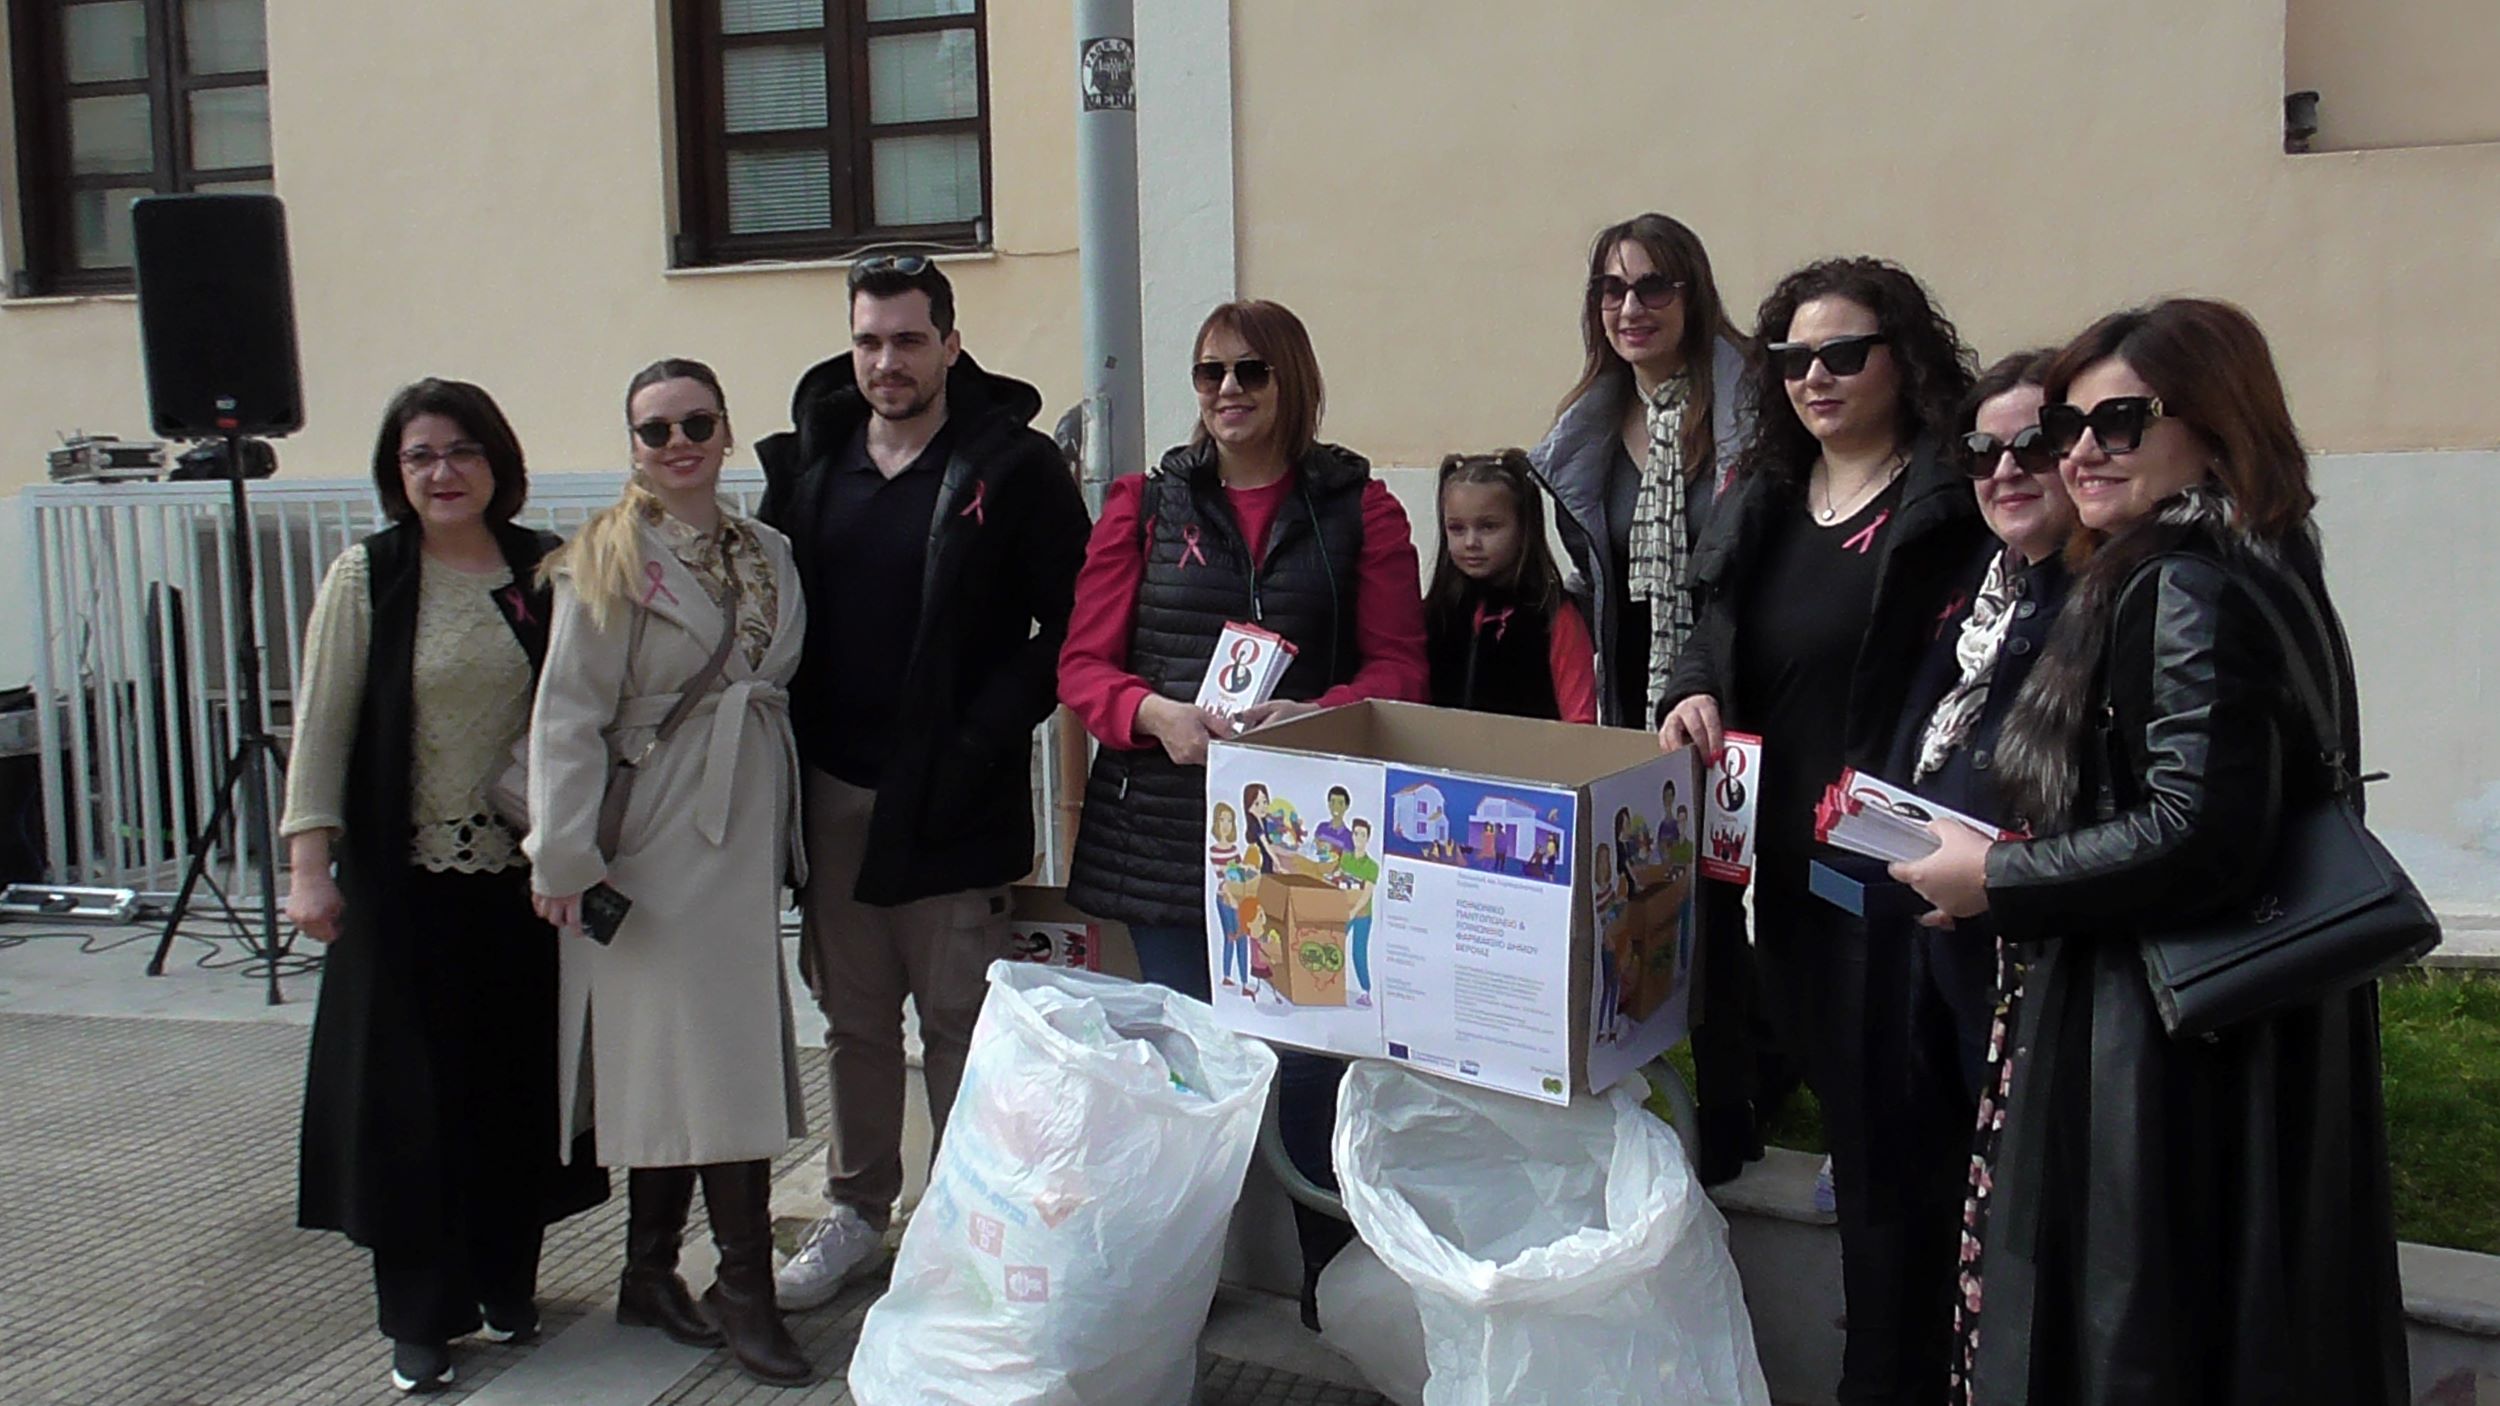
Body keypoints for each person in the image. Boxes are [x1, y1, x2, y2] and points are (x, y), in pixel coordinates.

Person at [1892, 301, 2409, 1406]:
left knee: (2148, 1329)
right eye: (2068, 425)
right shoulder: (2256, 558)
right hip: (2235, 1014)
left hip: (2168, 1034)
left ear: (2215, 426)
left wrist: (1996, 878)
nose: (2079, 451)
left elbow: (2197, 832)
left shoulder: (2181, 578)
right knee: (2239, 1323)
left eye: (2120, 422)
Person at [1058, 299, 1428, 1327]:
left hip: (1304, 845)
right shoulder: (1144, 504)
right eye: (1210, 371)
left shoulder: (1361, 509)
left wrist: (1319, 712)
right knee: (1191, 1072)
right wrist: (1155, 715)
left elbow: (1402, 669)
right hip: (1168, 835)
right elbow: (1083, 667)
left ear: (1291, 381)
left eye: (1251, 371)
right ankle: (1175, 1294)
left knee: (1309, 1068)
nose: (1227, 390)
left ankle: (1332, 1290)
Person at [1656, 257, 1982, 1402]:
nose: (1814, 376)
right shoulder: (1764, 496)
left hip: (1903, 888)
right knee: (1861, 1148)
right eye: (1793, 357)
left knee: (1897, 1174)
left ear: (1905, 358)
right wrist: (1692, 690)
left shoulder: (1948, 502)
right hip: (1787, 884)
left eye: (1843, 353)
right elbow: (1714, 633)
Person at [752, 256, 1088, 1311]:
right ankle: (857, 1211)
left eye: (907, 339)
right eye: (868, 340)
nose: (885, 361)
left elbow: (1073, 621)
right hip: (832, 790)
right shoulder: (812, 463)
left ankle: (962, 1229)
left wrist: (983, 732)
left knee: (958, 1025)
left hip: (952, 796)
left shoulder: (1013, 468)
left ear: (950, 342)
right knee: (854, 1022)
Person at [285, 379, 607, 1395]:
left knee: (513, 1093)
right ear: (396, 472)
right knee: (409, 1110)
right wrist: (308, 866)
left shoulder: (545, 569)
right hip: (403, 886)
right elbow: (324, 726)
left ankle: (508, 1283)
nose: (443, 471)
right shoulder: (369, 576)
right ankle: (421, 1317)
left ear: (497, 461)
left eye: (462, 450)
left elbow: (588, 709)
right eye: (420, 455)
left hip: (523, 885)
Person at [527, 359, 813, 1388]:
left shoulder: (770, 550)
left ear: (727, 430)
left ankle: (649, 1271)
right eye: (655, 430)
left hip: (740, 827)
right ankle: (743, 1286)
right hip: (655, 837)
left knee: (687, 1058)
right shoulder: (606, 556)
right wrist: (563, 856)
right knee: (712, 1059)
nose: (678, 443)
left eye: (696, 422)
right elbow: (567, 715)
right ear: (633, 446)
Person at [1844, 349, 2078, 1404]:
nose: (2006, 468)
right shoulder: (1982, 590)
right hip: (1939, 950)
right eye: (1982, 449)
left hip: (2040, 970)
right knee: (1938, 1215)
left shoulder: (2106, 596)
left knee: (2031, 1239)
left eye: (2034, 443)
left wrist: (1997, 871)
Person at [1530, 213, 1757, 728]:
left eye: (1652, 288)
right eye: (1612, 290)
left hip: (1739, 701)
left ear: (1692, 297)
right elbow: (1598, 582)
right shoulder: (1588, 435)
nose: (1631, 309)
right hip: (1635, 705)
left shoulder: (1752, 418)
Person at [1426, 449, 1599, 722]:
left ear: (1523, 528)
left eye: (1488, 527)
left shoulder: (1552, 615)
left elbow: (1579, 720)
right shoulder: (1436, 612)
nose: (1471, 542)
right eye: (1457, 528)